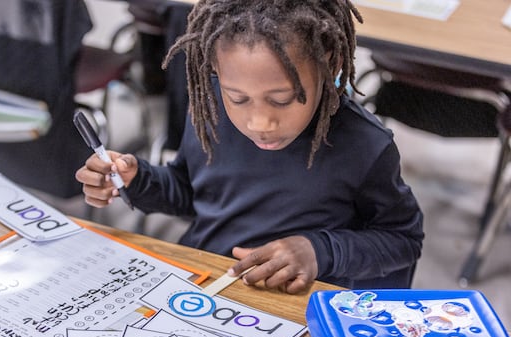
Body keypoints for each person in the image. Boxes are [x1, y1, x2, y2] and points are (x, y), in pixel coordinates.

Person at [75, 0, 424, 292]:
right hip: (207, 284)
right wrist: (135, 179)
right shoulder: (209, 107)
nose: (260, 122)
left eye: (283, 99)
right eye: (238, 98)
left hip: (294, 306)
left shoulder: (366, 145)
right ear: (215, 69)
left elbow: (402, 240)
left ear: (329, 61)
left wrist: (318, 250)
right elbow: (189, 193)